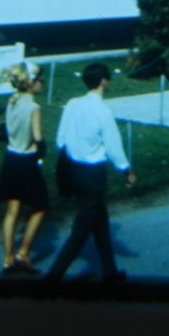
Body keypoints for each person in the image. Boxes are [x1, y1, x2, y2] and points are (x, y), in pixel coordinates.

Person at [43, 61, 134, 284]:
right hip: (93, 174)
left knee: (100, 220)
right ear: (103, 81)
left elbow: (61, 139)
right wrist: (126, 170)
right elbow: (113, 146)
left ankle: (110, 272)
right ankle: (52, 278)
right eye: (108, 78)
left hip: (74, 171)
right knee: (81, 229)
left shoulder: (73, 104)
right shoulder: (103, 111)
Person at [0, 62, 49, 273]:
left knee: (12, 209)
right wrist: (41, 149)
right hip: (26, 162)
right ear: (31, 83)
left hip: (10, 159)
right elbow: (38, 138)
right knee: (41, 205)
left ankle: (7, 257)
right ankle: (23, 252)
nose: (42, 83)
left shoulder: (12, 100)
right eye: (40, 80)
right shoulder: (34, 107)